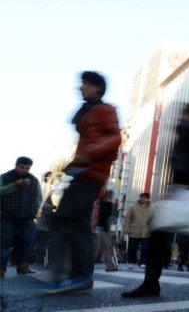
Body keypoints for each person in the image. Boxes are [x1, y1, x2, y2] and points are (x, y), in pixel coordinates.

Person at [44, 71, 121, 294]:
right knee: (71, 219)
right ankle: (74, 274)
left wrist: (89, 153)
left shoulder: (105, 109)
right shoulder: (89, 110)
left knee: (69, 219)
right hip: (82, 171)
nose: (80, 88)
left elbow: (115, 137)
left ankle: (77, 274)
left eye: (85, 85)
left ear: (97, 88)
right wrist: (72, 166)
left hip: (92, 172)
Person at [122, 104, 189, 298]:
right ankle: (150, 283)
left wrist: (183, 186)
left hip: (183, 193)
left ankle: (150, 284)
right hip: (183, 192)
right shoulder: (188, 135)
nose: (180, 118)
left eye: (184, 115)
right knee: (160, 236)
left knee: (158, 235)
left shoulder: (187, 133)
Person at [1, 157, 42, 277]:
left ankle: (23, 266)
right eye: (22, 167)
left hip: (27, 217)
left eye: (27, 168)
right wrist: (14, 186)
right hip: (6, 215)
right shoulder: (4, 177)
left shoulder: (33, 180)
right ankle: (1, 269)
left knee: (28, 240)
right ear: (16, 165)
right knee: (4, 242)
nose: (24, 170)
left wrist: (35, 209)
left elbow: (38, 197)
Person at [124, 192, 152, 269]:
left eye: (145, 197)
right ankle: (131, 262)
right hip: (134, 230)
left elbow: (153, 219)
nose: (142, 199)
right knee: (132, 247)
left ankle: (143, 262)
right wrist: (126, 230)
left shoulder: (151, 208)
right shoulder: (133, 207)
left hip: (146, 232)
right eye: (141, 197)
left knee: (145, 248)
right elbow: (127, 219)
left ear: (148, 199)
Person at [95, 190, 118, 272]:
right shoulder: (108, 204)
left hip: (96, 226)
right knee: (106, 247)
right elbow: (108, 218)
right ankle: (110, 265)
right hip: (103, 227)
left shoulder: (98, 203)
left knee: (100, 246)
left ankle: (109, 265)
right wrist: (108, 228)